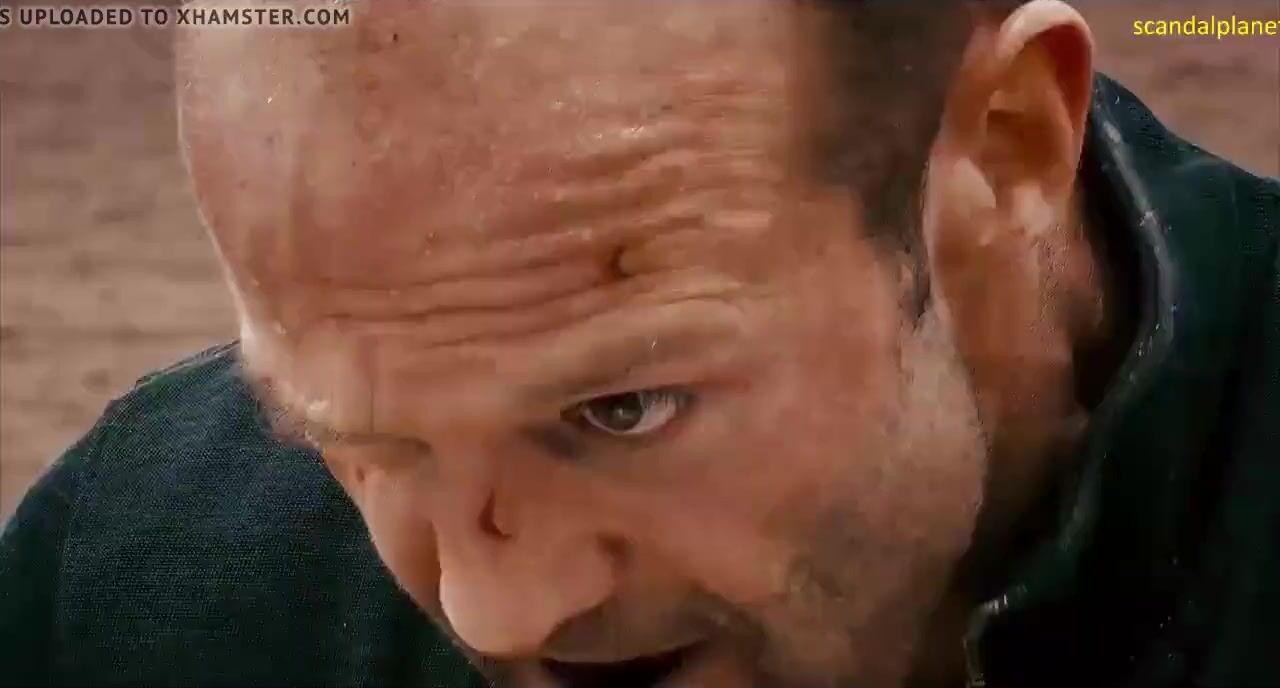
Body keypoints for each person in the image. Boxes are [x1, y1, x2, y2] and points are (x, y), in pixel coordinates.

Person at [2, 0, 1277, 686]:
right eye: (364, 441)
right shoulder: (136, 587)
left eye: (621, 409)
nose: (496, 610)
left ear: (1002, 148)